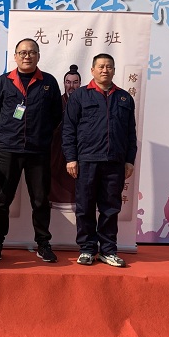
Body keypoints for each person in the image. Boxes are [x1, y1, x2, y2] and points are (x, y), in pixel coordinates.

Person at [0, 38, 62, 262]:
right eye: (22, 52)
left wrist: (41, 133)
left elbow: (57, 114)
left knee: (40, 200)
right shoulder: (3, 81)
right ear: (15, 56)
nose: (27, 56)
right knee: (2, 200)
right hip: (9, 149)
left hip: (38, 151)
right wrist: (8, 132)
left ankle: (43, 244)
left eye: (31, 52)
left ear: (38, 56)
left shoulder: (48, 82)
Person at [63, 53, 137, 268]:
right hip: (87, 160)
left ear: (114, 70)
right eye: (101, 67)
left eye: (109, 67)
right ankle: (87, 249)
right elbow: (69, 129)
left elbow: (130, 133)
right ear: (92, 70)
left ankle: (108, 250)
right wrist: (71, 158)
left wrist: (129, 160)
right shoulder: (80, 96)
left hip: (115, 161)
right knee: (85, 207)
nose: (105, 70)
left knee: (110, 208)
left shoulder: (124, 98)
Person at [49, 65, 82, 207]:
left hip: (78, 148)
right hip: (57, 147)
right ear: (64, 84)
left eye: (75, 82)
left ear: (80, 84)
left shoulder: (85, 101)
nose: (71, 86)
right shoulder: (57, 101)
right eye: (68, 82)